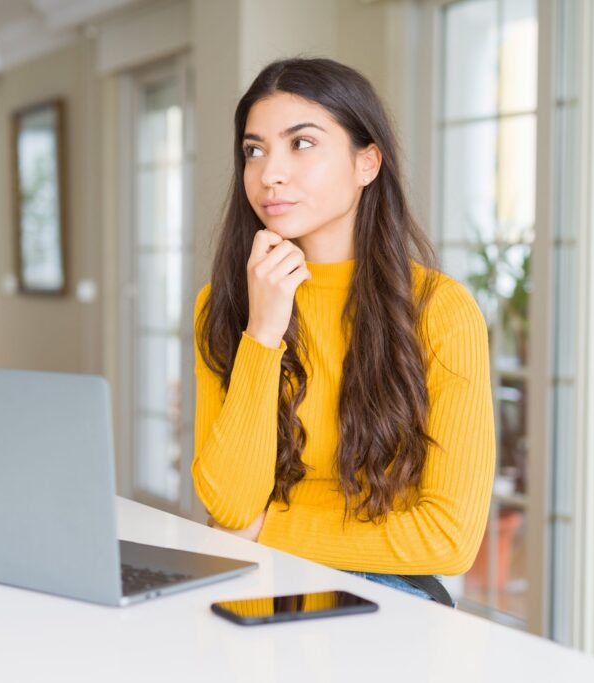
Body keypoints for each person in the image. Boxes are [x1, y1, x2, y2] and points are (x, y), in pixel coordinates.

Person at [192, 57, 495, 605]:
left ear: (367, 163)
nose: (269, 174)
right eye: (254, 150)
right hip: (256, 580)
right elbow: (230, 505)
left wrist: (271, 531)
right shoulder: (226, 304)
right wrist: (263, 330)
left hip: (382, 589)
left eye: (301, 143)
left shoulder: (440, 310)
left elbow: (450, 540)